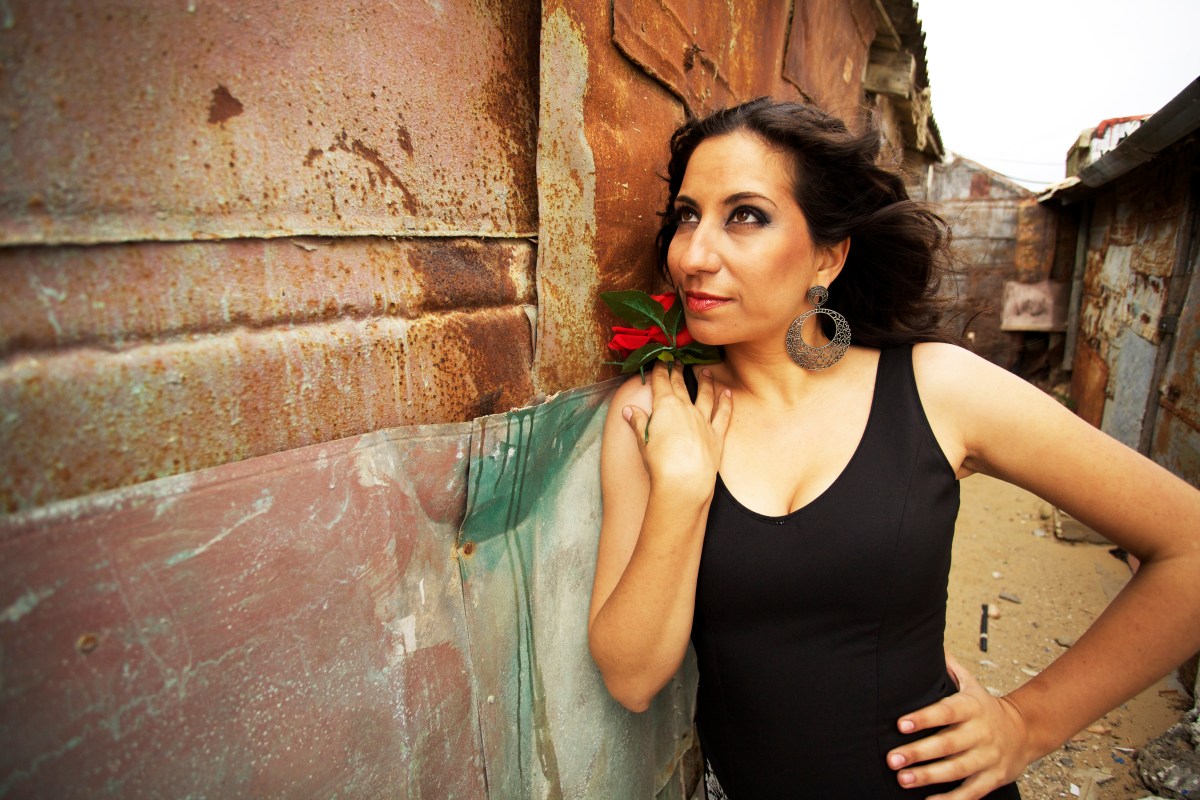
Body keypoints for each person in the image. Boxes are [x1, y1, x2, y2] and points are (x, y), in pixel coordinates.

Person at [586, 97, 1200, 799]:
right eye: (687, 216)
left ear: (828, 255)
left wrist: (1029, 723)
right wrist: (682, 491)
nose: (693, 255)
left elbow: (1189, 545)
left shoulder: (936, 388)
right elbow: (632, 679)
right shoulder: (654, 414)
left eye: (746, 215)